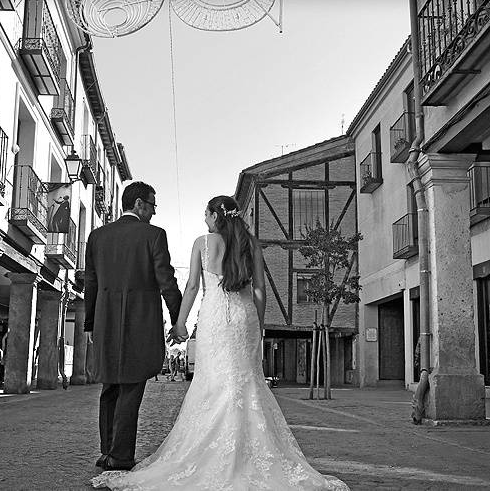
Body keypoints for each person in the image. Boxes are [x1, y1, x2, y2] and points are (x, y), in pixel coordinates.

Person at [92, 195, 349, 490]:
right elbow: (260, 291)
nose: (204, 217)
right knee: (246, 382)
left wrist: (179, 324)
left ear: (216, 216)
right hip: (245, 318)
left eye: (206, 212)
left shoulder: (202, 243)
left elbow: (191, 287)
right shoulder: (250, 244)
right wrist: (260, 325)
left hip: (215, 318)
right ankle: (252, 454)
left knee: (213, 382)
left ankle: (208, 451)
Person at [84, 181, 184, 472]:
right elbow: (166, 280)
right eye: (153, 205)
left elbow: (91, 283)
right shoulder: (154, 235)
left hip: (105, 322)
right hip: (139, 323)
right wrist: (177, 317)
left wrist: (90, 323)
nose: (154, 212)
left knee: (109, 388)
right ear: (139, 204)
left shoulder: (97, 236)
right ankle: (121, 456)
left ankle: (107, 451)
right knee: (130, 388)